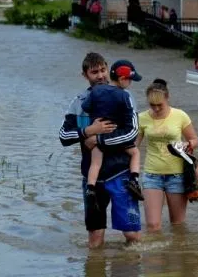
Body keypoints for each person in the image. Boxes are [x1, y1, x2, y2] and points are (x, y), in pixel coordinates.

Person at [59, 52, 141, 248]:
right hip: (91, 180)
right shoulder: (78, 102)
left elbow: (132, 134)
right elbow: (63, 136)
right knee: (95, 239)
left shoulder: (124, 97)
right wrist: (88, 131)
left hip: (121, 174)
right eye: (94, 72)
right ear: (85, 75)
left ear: (108, 69)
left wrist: (99, 139)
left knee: (132, 236)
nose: (101, 75)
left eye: (103, 70)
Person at [136, 79, 198, 232]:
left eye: (160, 105)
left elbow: (195, 139)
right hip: (152, 175)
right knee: (152, 226)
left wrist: (187, 144)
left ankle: (175, 254)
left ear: (167, 98)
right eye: (152, 105)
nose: (156, 109)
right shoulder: (141, 118)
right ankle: (155, 255)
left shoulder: (180, 115)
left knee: (177, 225)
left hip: (177, 175)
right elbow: (134, 146)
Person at [81, 59, 144, 206]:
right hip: (115, 137)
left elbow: (85, 107)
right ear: (122, 79)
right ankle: (134, 180)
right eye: (130, 80)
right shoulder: (124, 95)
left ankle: (90, 188)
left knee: (95, 163)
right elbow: (131, 123)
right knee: (135, 153)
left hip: (96, 135)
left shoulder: (96, 91)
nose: (130, 84)